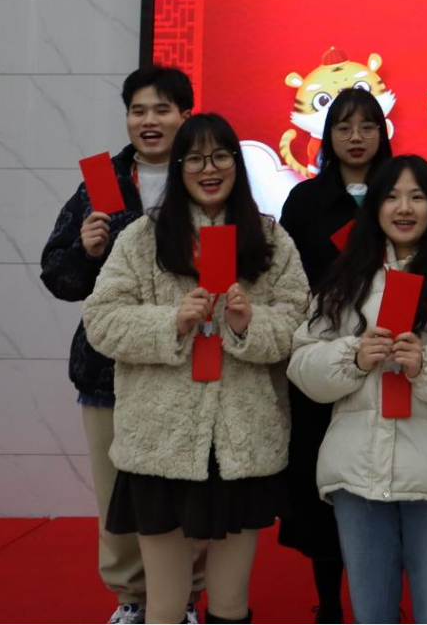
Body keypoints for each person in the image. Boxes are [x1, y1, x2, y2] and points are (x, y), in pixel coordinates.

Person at [83, 114, 310, 625]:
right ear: (178, 167)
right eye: (195, 159)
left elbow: (300, 321)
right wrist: (172, 321)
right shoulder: (143, 238)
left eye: (221, 156)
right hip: (161, 441)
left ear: (237, 163)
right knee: (165, 604)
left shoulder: (271, 239)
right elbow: (101, 320)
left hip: (242, 441)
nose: (210, 169)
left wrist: (251, 324)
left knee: (230, 603)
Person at [288, 156, 427, 624]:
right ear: (374, 207)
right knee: (372, 612)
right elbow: (302, 363)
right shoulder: (344, 280)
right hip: (358, 473)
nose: (404, 208)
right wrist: (353, 356)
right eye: (391, 197)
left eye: (417, 196)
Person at [40, 65, 207, 625]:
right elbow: (58, 277)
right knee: (117, 495)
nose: (148, 120)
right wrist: (84, 252)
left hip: (188, 364)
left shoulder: (207, 176)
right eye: (138, 110)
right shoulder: (102, 182)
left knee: (187, 490)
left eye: (162, 109)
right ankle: (131, 600)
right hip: (107, 370)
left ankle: (185, 599)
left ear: (185, 115)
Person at [277, 88, 393, 623]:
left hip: (390, 350)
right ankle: (329, 604)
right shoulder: (306, 200)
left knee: (383, 475)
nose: (356, 137)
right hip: (326, 353)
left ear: (382, 133)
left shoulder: (400, 192)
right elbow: (288, 276)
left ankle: (381, 601)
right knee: (321, 481)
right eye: (344, 127)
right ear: (328, 136)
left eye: (367, 126)